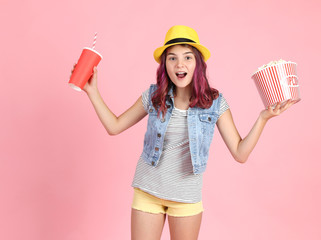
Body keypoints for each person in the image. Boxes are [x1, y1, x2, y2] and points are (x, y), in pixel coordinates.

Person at [70, 25, 296, 240]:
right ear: (165, 65)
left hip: (186, 198)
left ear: (197, 64)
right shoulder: (153, 96)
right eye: (172, 58)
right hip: (147, 192)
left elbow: (240, 153)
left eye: (187, 57)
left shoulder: (214, 103)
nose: (180, 64)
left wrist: (263, 118)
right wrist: (92, 91)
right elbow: (114, 126)